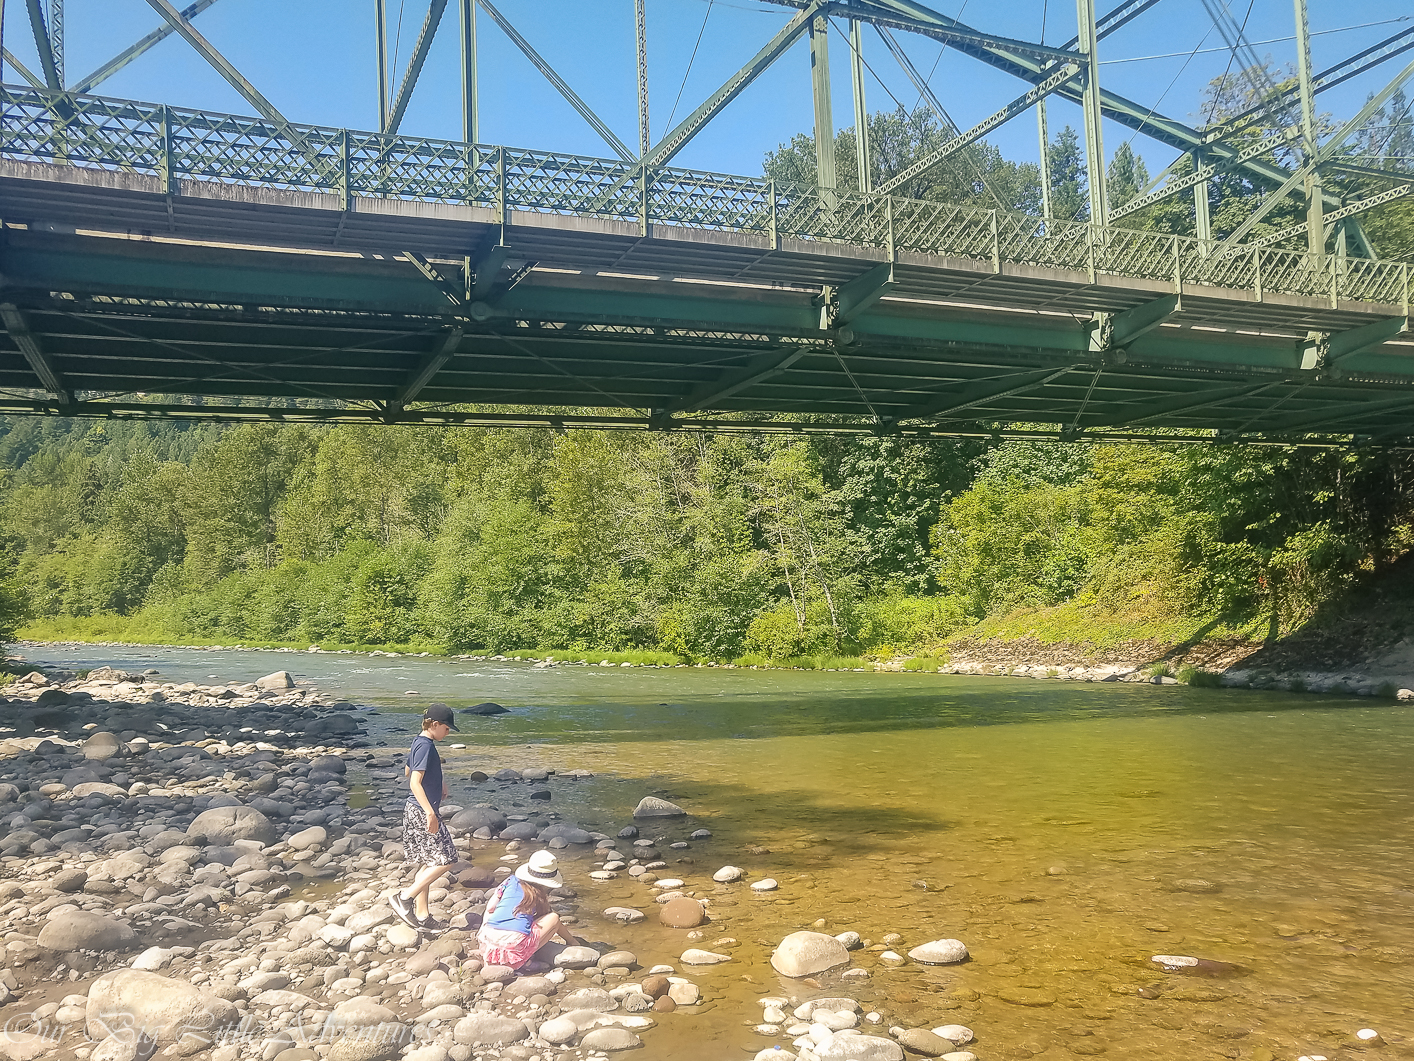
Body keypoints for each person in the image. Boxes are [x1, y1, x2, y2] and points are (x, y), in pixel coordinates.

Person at [389, 702, 458, 934]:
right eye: (447, 729)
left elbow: (410, 769)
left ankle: (422, 915)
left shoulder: (420, 742)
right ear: (435, 724)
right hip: (421, 810)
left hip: (415, 809)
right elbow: (414, 782)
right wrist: (430, 812)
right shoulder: (426, 746)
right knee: (446, 859)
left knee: (429, 862)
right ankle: (404, 898)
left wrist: (440, 782)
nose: (447, 733)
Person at [477, 850, 580, 969]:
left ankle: (493, 955)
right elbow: (547, 918)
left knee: (493, 913)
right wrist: (571, 940)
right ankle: (524, 959)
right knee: (554, 918)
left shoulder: (510, 880)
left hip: (489, 939)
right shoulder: (537, 893)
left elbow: (490, 907)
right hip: (512, 945)